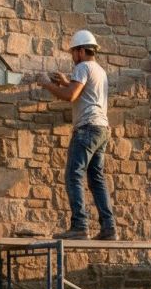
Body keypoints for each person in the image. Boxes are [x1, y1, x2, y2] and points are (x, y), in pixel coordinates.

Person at [40, 30, 117, 240]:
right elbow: (84, 92)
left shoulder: (82, 67)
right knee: (96, 179)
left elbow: (71, 95)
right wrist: (67, 81)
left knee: (73, 175)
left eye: (74, 52)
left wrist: (46, 83)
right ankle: (109, 228)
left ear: (81, 51)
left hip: (87, 128)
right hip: (102, 128)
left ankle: (80, 226)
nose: (72, 57)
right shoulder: (99, 70)